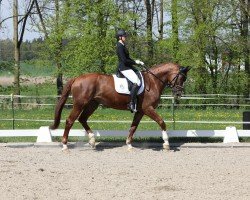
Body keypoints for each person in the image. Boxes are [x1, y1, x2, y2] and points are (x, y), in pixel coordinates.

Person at [116, 29, 144, 113]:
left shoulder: (123, 45)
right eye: (124, 36)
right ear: (120, 37)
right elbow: (124, 60)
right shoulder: (119, 46)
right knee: (137, 82)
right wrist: (135, 62)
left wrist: (136, 61)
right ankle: (131, 103)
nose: (126, 37)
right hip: (124, 67)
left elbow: (128, 58)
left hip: (128, 67)